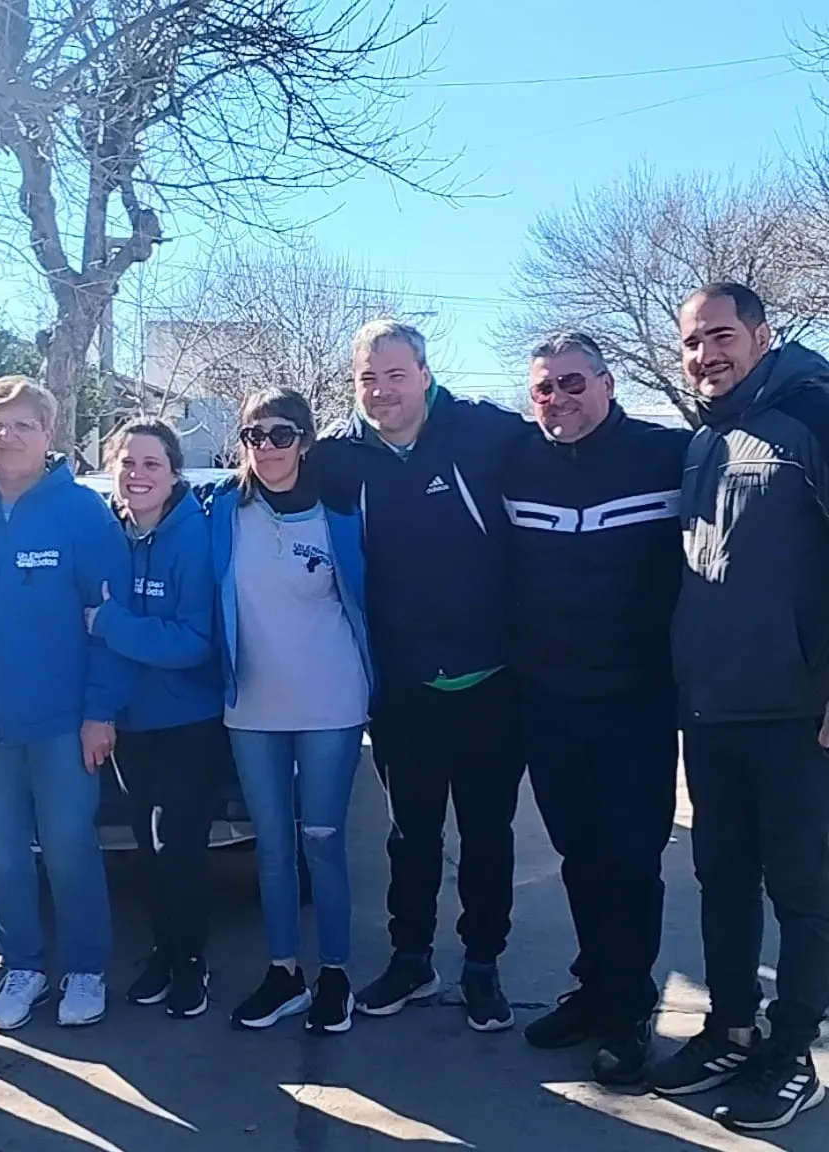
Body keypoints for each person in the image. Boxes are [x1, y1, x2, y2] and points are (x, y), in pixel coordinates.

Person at [646, 284, 829, 1131]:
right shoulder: (705, 439)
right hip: (712, 708)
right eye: (692, 342)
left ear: (763, 334)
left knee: (804, 891)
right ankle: (730, 1026)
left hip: (797, 712)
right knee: (721, 879)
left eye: (721, 336)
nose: (704, 353)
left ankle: (793, 1052)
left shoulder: (812, 416)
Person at [313, 320, 528, 1031]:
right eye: (367, 379)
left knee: (489, 833)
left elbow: (564, 459)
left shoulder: (484, 434)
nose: (382, 392)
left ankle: (481, 966)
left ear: (426, 373)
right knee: (411, 835)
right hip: (404, 688)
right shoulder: (342, 457)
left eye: (395, 375)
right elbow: (270, 485)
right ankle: (411, 959)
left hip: (493, 680)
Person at [504, 332, 689, 1085]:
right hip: (549, 702)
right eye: (544, 388)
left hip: (638, 704)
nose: (558, 400)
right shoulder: (515, 463)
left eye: (573, 383)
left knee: (630, 859)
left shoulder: (669, 455)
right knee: (580, 856)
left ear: (609, 384)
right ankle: (594, 988)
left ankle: (629, 1011)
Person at [0, 376, 129, 1033]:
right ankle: (21, 967)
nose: (9, 437)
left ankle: (85, 970)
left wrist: (100, 711)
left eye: (24, 425)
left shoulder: (81, 513)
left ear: (49, 435)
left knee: (67, 847)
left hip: (62, 723)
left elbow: (111, 620)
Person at [206, 387, 371, 1036]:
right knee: (272, 848)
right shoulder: (221, 510)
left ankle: (334, 974)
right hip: (250, 705)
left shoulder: (341, 515)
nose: (267, 447)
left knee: (322, 843)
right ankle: (284, 975)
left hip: (332, 701)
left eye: (281, 434)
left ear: (304, 440)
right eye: (254, 435)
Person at [85, 419, 225, 1020]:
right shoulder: (107, 535)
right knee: (145, 845)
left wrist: (112, 624)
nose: (137, 475)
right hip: (130, 724)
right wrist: (100, 709)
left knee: (180, 846)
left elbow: (193, 640)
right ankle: (162, 955)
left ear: (173, 475)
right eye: (128, 463)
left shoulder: (193, 538)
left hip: (189, 722)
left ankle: (192, 963)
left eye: (151, 464)